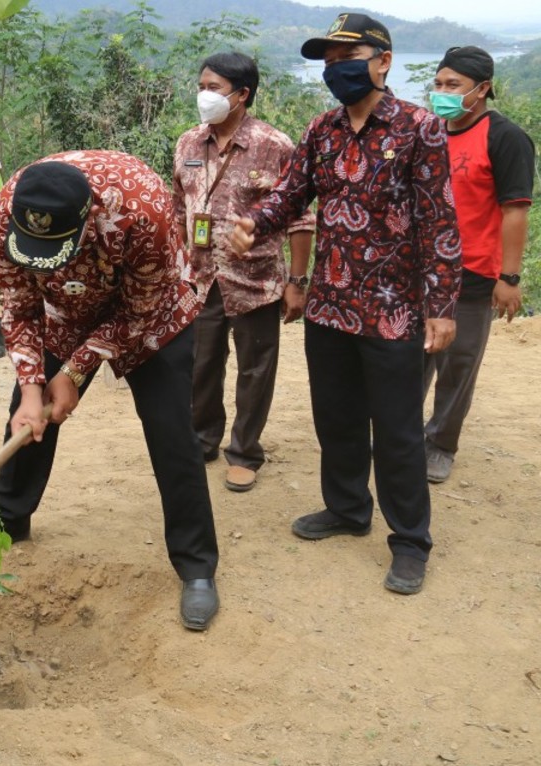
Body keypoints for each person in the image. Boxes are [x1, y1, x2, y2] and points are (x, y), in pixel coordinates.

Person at [230, 13, 462, 594]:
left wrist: (442, 304)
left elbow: (439, 222)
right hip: (329, 305)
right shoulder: (321, 130)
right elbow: (290, 196)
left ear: (383, 60)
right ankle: (348, 509)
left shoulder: (420, 129)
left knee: (399, 429)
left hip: (394, 312)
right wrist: (253, 225)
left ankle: (410, 542)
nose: (337, 68)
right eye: (329, 60)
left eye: (348, 56)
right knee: (335, 418)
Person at [0, 150, 221, 630]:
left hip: (153, 318)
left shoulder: (143, 210)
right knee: (28, 419)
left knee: (172, 432)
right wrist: (33, 387)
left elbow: (138, 311)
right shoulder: (1, 218)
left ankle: (196, 566)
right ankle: (9, 517)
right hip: (64, 317)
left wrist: (74, 371)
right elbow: (20, 306)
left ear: (88, 218)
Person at [173, 52, 315, 493]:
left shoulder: (275, 145)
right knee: (200, 363)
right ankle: (202, 439)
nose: (204, 95)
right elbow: (178, 209)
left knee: (256, 368)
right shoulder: (188, 143)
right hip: (200, 278)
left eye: (214, 88)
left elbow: (300, 219)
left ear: (242, 95)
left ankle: (245, 451)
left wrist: (296, 282)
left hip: (254, 280)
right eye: (201, 86)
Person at [424, 46, 534, 483]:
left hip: (473, 270)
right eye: (438, 84)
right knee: (412, 356)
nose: (442, 93)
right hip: (423, 269)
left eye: (453, 85)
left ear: (482, 89)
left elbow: (515, 210)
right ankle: (402, 436)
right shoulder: (430, 132)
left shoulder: (505, 138)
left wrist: (508, 277)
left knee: (458, 362)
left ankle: (440, 444)